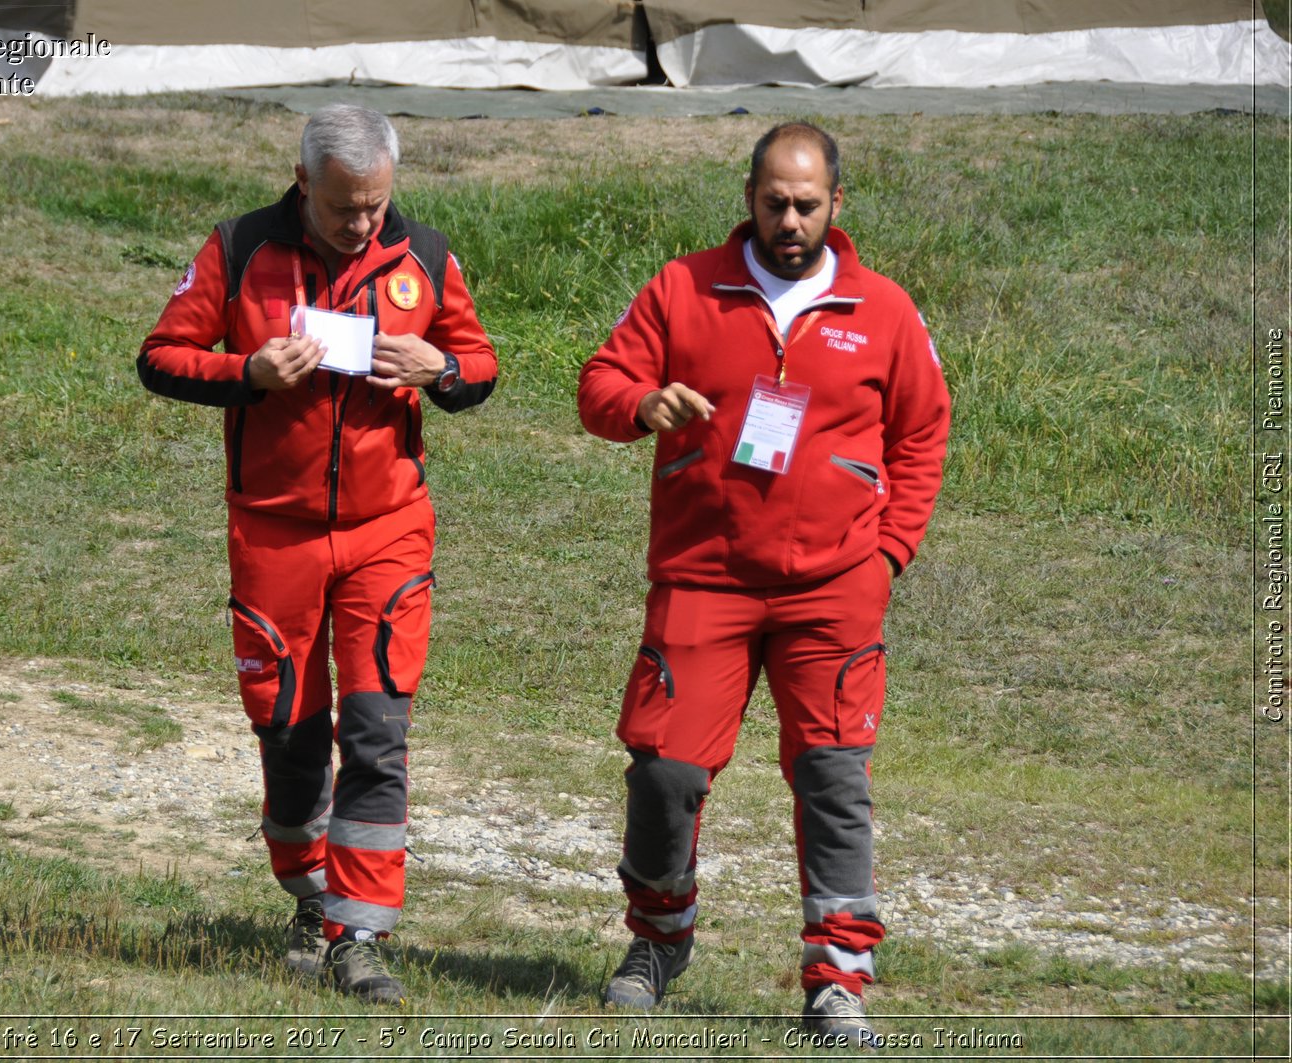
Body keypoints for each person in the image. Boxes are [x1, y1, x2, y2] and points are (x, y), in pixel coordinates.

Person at [576, 121, 950, 1046]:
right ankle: (658, 942)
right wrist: (641, 403)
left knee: (833, 778)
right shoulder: (682, 288)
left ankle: (838, 979)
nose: (790, 220)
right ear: (748, 196)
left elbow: (922, 435)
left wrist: (886, 554)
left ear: (836, 204)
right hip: (703, 577)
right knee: (663, 772)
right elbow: (599, 385)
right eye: (775, 202)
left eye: (808, 204)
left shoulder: (886, 311)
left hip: (834, 591)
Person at [136, 103, 497, 1005]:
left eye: (376, 206)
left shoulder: (425, 255)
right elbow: (159, 356)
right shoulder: (240, 248)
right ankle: (308, 893)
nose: (363, 223)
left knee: (377, 734)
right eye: (345, 208)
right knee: (291, 735)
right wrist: (245, 374)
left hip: (389, 535)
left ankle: (359, 935)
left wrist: (438, 372)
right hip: (274, 536)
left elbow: (481, 365)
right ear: (303, 183)